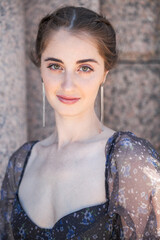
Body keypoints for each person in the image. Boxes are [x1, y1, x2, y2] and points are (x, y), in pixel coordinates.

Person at [0, 5, 160, 240]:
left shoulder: (128, 160)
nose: (67, 85)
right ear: (41, 68)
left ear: (104, 73)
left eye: (84, 68)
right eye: (55, 66)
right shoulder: (21, 163)